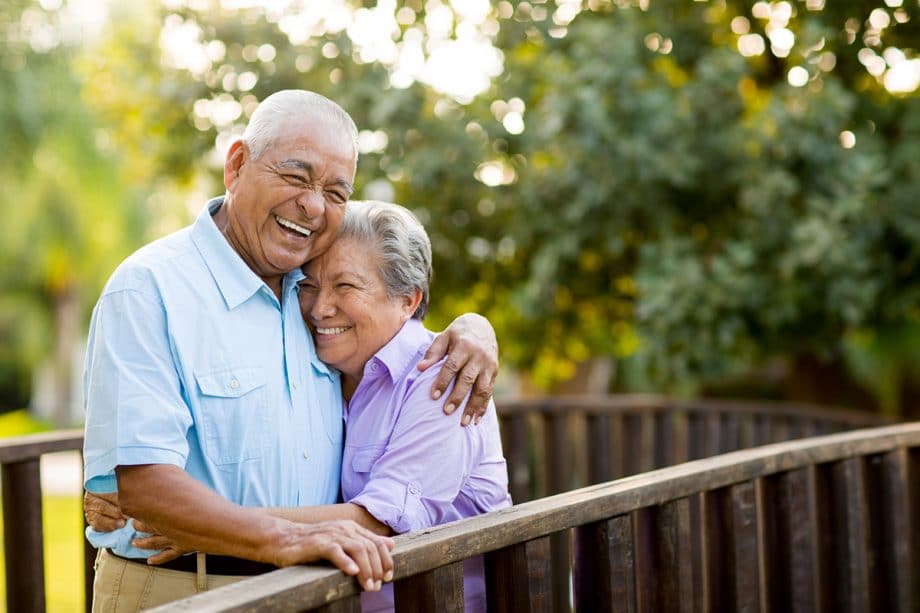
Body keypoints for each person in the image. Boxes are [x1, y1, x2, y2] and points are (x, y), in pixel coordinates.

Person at [82, 90, 499, 611]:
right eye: (297, 176)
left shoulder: (310, 296)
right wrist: (278, 537)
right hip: (186, 590)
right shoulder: (149, 289)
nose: (313, 204)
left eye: (335, 192)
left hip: (314, 590)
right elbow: (145, 490)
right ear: (236, 166)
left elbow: (390, 320)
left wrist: (474, 328)